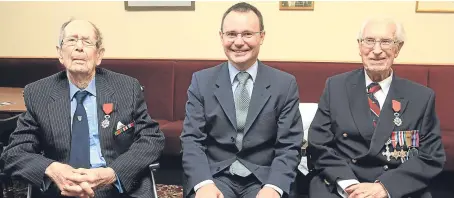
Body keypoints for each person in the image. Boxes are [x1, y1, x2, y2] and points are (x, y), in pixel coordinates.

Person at [1, 19, 165, 198]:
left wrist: (112, 173)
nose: (79, 47)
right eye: (71, 40)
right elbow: (14, 152)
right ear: (60, 53)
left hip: (116, 186)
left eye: (87, 42)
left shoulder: (126, 88)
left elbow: (152, 138)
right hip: (62, 189)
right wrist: (52, 169)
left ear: (99, 55)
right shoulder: (39, 93)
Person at [307, 18, 446, 198]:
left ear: (398, 48)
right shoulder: (336, 87)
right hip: (344, 183)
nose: (377, 50)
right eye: (369, 41)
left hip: (396, 185)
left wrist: (384, 188)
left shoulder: (421, 97)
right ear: (359, 46)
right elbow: (318, 143)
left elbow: (431, 156)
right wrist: (350, 186)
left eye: (386, 42)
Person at [180, 2, 304, 198]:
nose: (239, 42)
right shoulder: (201, 81)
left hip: (263, 177)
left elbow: (289, 145)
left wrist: (274, 187)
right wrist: (203, 184)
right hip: (215, 175)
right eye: (231, 34)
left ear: (262, 36)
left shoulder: (284, 84)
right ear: (221, 37)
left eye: (247, 34)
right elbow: (192, 140)